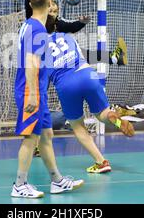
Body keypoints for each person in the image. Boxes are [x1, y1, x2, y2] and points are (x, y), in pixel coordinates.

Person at [12, 0, 84, 198]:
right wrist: (33, 95)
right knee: (30, 138)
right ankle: (19, 185)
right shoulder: (37, 29)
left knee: (46, 135)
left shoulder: (30, 24)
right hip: (30, 91)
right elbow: (31, 63)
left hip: (36, 90)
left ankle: (57, 181)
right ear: (49, 3)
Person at [43, 13, 135, 174]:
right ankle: (114, 118)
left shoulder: (37, 48)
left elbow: (42, 78)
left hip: (66, 83)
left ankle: (101, 161)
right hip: (87, 74)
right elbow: (85, 53)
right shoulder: (66, 36)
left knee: (78, 127)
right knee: (103, 113)